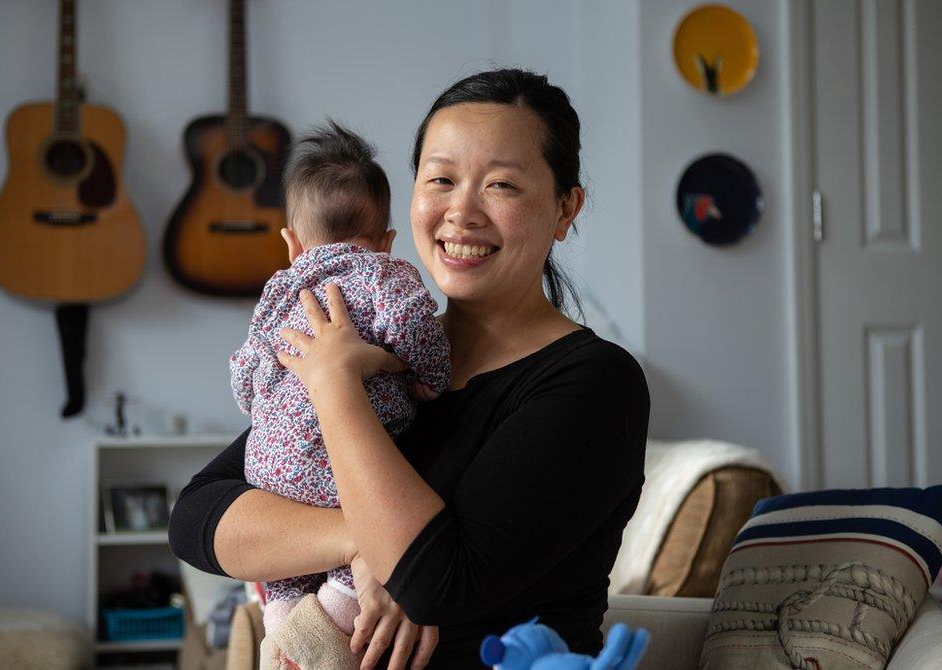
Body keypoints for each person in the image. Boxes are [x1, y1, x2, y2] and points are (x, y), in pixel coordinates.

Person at [169, 68, 649, 670]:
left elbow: (437, 582)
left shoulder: (595, 383)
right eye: (441, 179)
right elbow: (198, 518)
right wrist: (359, 544)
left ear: (564, 207)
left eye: (501, 185)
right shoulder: (366, 343)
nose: (461, 212)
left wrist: (335, 385)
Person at [228, 122, 451, 650]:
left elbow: (247, 366)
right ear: (388, 241)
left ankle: (281, 629)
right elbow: (416, 325)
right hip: (340, 466)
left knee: (288, 557)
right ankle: (325, 630)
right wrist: (426, 376)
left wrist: (261, 407)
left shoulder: (281, 287)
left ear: (291, 242)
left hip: (269, 464)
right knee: (360, 530)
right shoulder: (384, 275)